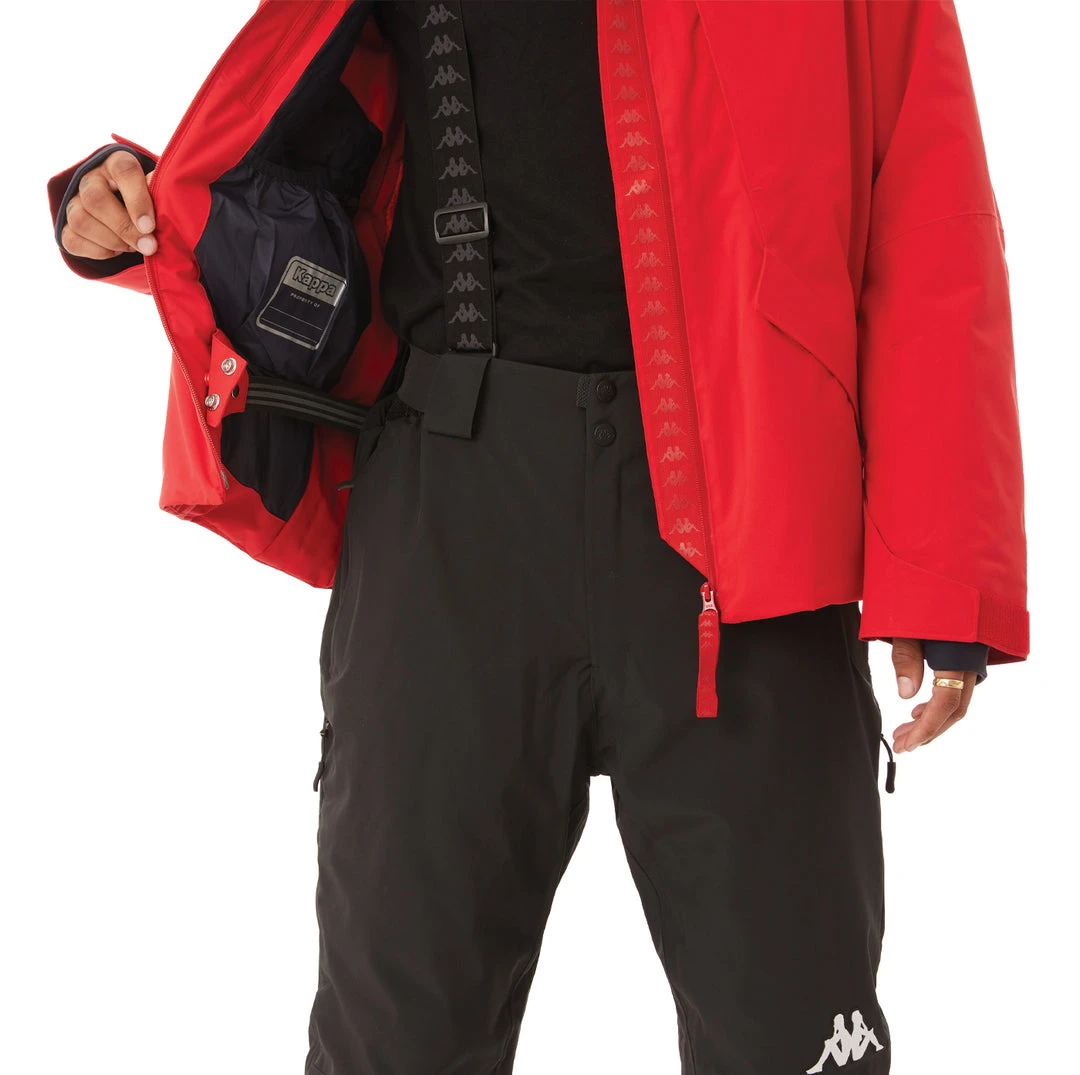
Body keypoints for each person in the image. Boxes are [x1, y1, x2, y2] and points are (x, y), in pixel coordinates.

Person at [48, 2, 1027, 1072]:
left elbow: (929, 207)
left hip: (754, 515)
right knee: (394, 1044)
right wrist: (140, 205)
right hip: (448, 508)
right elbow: (303, 137)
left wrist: (944, 567)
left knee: (795, 1039)